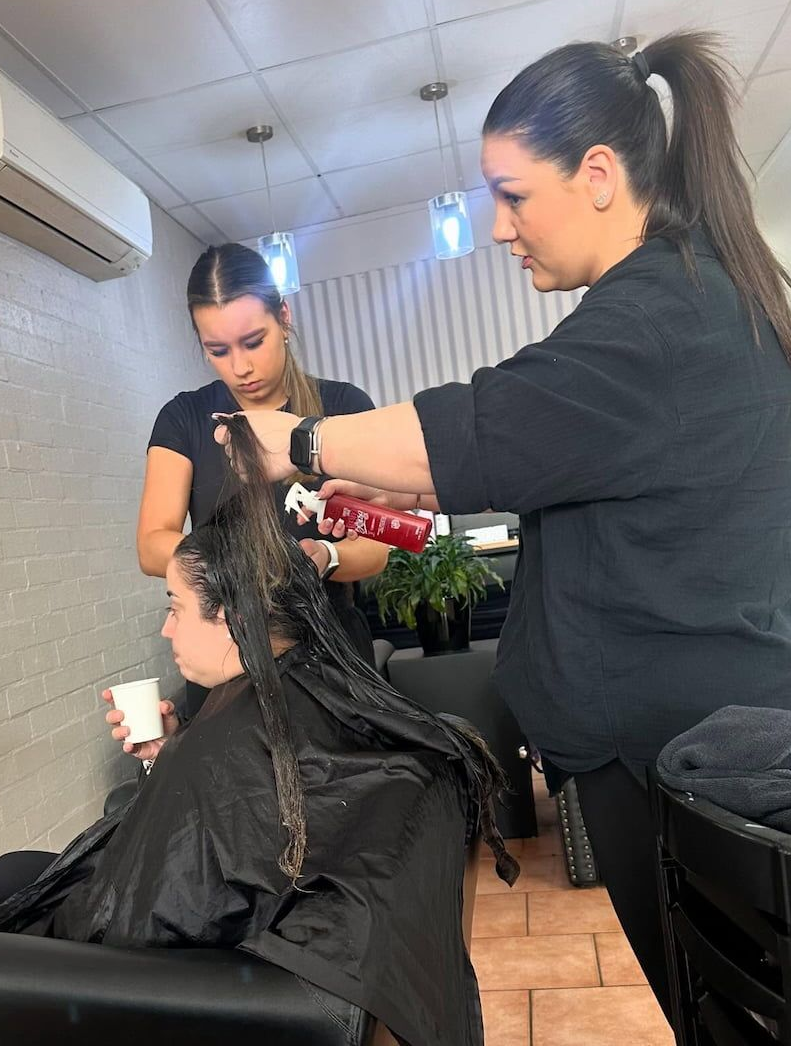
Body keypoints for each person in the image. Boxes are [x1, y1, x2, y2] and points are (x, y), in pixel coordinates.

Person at [213, 31, 791, 1021]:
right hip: (679, 737)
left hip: (674, 752)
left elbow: (488, 420)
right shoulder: (686, 295)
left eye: (512, 194)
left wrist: (297, 441)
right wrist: (417, 496)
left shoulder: (654, 317)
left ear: (597, 176)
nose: (497, 227)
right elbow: (574, 458)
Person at [0, 417, 518, 1046]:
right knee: (19, 868)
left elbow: (156, 913)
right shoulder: (310, 694)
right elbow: (245, 824)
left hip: (129, 985)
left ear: (233, 616)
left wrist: (185, 769)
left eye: (174, 608)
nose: (166, 631)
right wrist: (172, 755)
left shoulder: (229, 741)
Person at [138, 242, 386, 718]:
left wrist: (325, 557)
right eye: (217, 350)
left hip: (331, 655)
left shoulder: (343, 407)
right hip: (225, 657)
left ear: (284, 318)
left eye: (253, 341)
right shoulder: (184, 418)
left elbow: (374, 550)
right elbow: (152, 546)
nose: (240, 367)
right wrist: (252, 562)